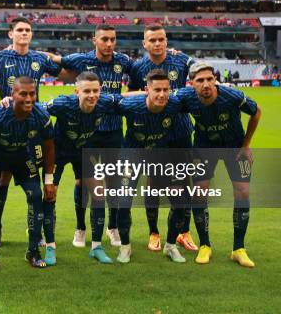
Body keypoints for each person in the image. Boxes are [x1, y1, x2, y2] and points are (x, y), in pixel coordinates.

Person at [0, 17, 61, 249]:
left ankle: (37, 232)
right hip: (5, 126)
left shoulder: (40, 58)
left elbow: (65, 73)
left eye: (28, 30)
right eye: (19, 30)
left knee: (36, 183)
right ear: (11, 34)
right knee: (2, 180)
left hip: (33, 127)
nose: (24, 33)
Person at [49, 24, 134, 247]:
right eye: (104, 39)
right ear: (94, 40)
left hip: (114, 130)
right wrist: (23, 49)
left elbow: (143, 71)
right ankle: (80, 228)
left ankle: (112, 228)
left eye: (112, 39)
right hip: (89, 133)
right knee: (84, 183)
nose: (109, 44)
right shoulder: (81, 60)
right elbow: (55, 59)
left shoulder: (123, 61)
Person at [177, 62, 262, 268]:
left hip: (235, 146)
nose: (206, 84)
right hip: (204, 147)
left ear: (215, 79)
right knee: (199, 192)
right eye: (200, 80)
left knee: (242, 192)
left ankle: (238, 248)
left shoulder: (231, 95)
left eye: (209, 79)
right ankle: (205, 245)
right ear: (192, 84)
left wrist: (246, 144)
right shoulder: (185, 97)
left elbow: (256, 111)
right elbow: (158, 99)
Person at [0, 76, 55, 269]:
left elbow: (49, 148)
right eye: (23, 94)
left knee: (37, 195)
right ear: (13, 95)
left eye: (32, 94)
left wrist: (49, 181)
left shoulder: (41, 115)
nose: (29, 98)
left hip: (20, 156)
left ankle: (33, 251)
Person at [128, 24, 197, 252]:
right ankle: (154, 232)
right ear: (144, 44)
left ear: (166, 41)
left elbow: (200, 73)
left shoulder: (180, 61)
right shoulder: (138, 67)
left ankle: (183, 232)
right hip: (154, 134)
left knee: (184, 185)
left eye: (161, 39)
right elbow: (131, 97)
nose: (157, 44)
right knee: (154, 184)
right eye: (152, 40)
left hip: (181, 132)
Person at [43, 71, 123, 264]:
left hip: (84, 152)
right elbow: (36, 109)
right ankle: (50, 247)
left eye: (96, 91)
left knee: (98, 194)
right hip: (58, 153)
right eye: (87, 91)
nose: (92, 95)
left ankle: (96, 247)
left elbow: (125, 98)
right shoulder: (63, 104)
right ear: (76, 91)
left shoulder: (104, 102)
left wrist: (149, 94)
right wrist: (7, 102)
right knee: (49, 194)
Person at [115, 69, 191, 264]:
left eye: (166, 89)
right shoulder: (130, 105)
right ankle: (125, 247)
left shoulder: (174, 104)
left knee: (180, 201)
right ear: (146, 89)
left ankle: (171, 245)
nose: (162, 94)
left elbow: (199, 95)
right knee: (123, 202)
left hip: (160, 155)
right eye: (157, 89)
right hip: (131, 155)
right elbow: (107, 100)